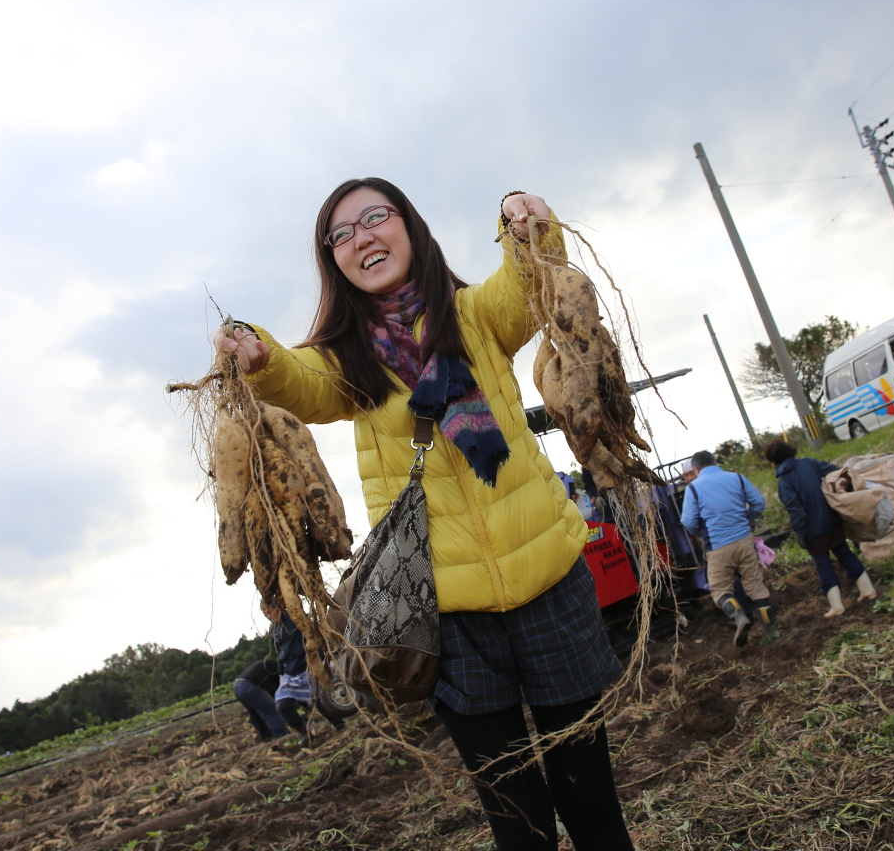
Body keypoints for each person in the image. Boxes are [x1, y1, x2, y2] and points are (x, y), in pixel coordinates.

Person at [212, 179, 634, 851]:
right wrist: (258, 355)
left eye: (375, 218)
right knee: (517, 823)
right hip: (446, 615)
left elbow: (524, 285)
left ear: (409, 226)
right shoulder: (346, 360)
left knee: (591, 802)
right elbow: (298, 380)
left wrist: (527, 226)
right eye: (341, 235)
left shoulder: (475, 316)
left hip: (551, 583)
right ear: (333, 261)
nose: (361, 238)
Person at [763, 439, 877, 617]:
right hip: (832, 519)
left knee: (823, 565)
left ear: (773, 461)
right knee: (845, 554)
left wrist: (800, 532)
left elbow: (795, 510)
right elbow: (835, 471)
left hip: (813, 531)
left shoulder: (784, 481)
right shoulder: (809, 463)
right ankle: (867, 589)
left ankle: (837, 606)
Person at [680, 449, 778, 645]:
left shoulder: (693, 489)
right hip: (744, 541)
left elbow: (688, 521)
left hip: (717, 546)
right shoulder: (737, 478)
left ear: (696, 469)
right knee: (756, 587)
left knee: (720, 590)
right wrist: (745, 520)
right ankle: (770, 629)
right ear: (715, 462)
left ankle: (739, 616)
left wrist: (702, 532)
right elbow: (758, 503)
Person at [271, 611, 345, 744]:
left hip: (308, 666)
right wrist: (281, 672)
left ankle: (339, 724)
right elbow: (279, 653)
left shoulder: (295, 617)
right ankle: (305, 734)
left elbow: (312, 636)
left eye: (270, 611)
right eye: (265, 613)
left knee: (320, 700)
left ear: (277, 608)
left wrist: (322, 658)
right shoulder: (274, 630)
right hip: (290, 673)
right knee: (282, 705)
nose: (269, 616)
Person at [232, 658, 288, 743]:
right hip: (249, 686)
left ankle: (266, 736)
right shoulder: (278, 669)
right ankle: (282, 736)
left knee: (255, 713)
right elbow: (273, 689)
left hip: (237, 686)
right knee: (269, 711)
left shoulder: (269, 665)